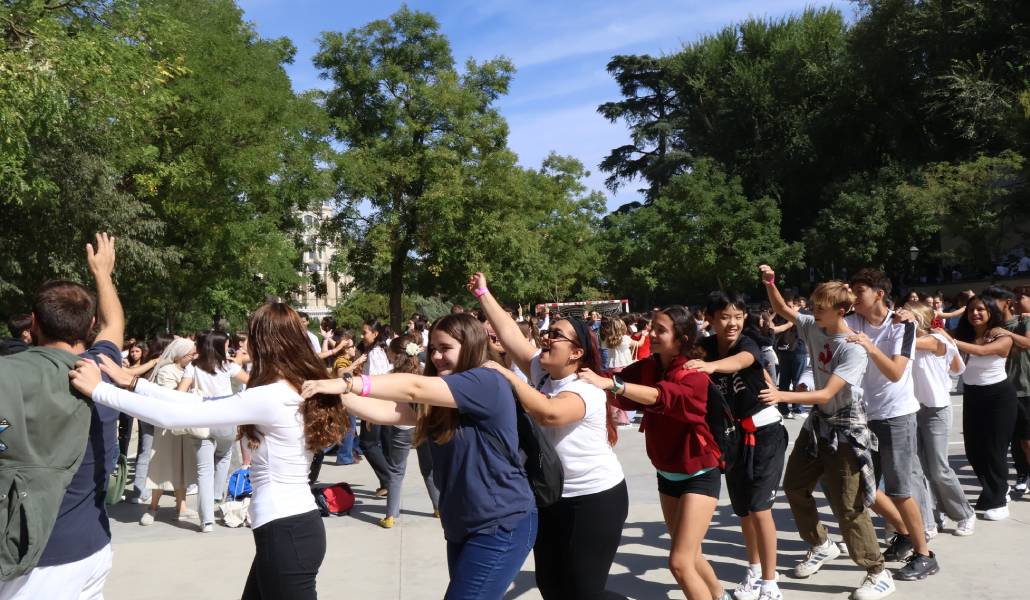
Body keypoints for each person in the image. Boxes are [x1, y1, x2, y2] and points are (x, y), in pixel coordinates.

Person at [70, 302, 348, 600]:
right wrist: (134, 383)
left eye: (250, 338)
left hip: (287, 532)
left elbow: (175, 416)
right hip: (290, 529)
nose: (244, 345)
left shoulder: (272, 395)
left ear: (265, 342)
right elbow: (199, 403)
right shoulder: (290, 387)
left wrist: (101, 390)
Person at [302, 313, 536, 600]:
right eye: (433, 349)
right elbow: (390, 411)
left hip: (501, 523)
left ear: (472, 347)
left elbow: (414, 387)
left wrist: (348, 383)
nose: (436, 356)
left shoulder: (486, 381)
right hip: (462, 523)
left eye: (445, 348)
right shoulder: (442, 395)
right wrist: (329, 392)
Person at [471, 273, 627, 600]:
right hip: (551, 497)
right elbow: (510, 333)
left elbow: (550, 413)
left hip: (595, 499)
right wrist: (483, 293)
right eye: (547, 331)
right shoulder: (543, 373)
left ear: (576, 353)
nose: (546, 337)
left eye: (556, 335)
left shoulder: (586, 388)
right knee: (551, 586)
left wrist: (507, 376)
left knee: (584, 591)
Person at [757, 266, 895, 599]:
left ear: (841, 311)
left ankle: (878, 572)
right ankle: (821, 544)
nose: (813, 311)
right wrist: (770, 283)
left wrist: (780, 395)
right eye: (814, 305)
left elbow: (826, 394)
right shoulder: (813, 325)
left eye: (821, 307)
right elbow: (781, 308)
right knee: (794, 486)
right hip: (819, 424)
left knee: (848, 505)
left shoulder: (852, 348)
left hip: (845, 429)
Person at [0, 233, 124, 600]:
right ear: (89, 325)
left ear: (33, 322)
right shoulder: (102, 371)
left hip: (32, 559)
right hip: (93, 547)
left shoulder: (9, 373)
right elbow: (114, 325)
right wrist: (103, 275)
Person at [579, 306, 726, 600]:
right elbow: (618, 389)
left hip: (699, 473)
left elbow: (663, 396)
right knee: (691, 554)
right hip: (667, 473)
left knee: (680, 563)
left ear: (682, 339)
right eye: (652, 328)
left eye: (661, 330)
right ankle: (720, 595)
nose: (652, 334)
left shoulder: (694, 373)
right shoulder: (649, 367)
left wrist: (614, 385)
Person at [687, 291, 788, 600]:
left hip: (765, 433)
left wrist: (711, 367)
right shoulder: (703, 348)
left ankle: (770, 584)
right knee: (743, 511)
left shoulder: (748, 343)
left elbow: (742, 361)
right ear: (709, 318)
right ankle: (754, 571)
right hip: (732, 438)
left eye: (738, 316)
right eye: (725, 317)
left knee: (760, 509)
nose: (732, 323)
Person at [845, 268, 936, 577]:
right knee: (863, 489)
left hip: (896, 415)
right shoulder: (854, 320)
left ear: (879, 294)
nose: (854, 297)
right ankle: (905, 535)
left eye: (859, 291)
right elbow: (814, 317)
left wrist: (869, 346)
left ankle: (925, 554)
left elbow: (896, 372)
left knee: (899, 490)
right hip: (864, 416)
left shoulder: (902, 324)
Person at [904, 302, 975, 536]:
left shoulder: (935, 339)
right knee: (918, 470)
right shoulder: (903, 341)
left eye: (908, 316)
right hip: (911, 409)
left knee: (938, 468)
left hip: (936, 410)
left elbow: (954, 366)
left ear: (920, 319)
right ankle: (931, 517)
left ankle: (965, 513)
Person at [947, 293, 1017, 519]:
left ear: (990, 312)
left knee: (995, 450)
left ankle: (998, 501)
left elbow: (983, 351)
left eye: (980, 309)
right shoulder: (962, 335)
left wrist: (951, 341)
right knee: (974, 450)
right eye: (971, 310)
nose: (975, 313)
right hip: (972, 395)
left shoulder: (1001, 336)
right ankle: (996, 489)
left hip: (999, 397)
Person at [177, 330, 250, 533]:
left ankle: (206, 521)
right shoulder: (228, 366)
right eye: (226, 345)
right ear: (219, 346)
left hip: (201, 420)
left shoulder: (193, 366)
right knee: (224, 456)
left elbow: (180, 392)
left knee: (204, 471)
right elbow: (251, 381)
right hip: (224, 418)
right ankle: (217, 496)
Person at [378, 334, 441, 529]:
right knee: (429, 470)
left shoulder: (391, 376)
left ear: (395, 354)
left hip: (401, 429)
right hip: (424, 426)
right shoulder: (424, 372)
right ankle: (438, 508)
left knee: (396, 472)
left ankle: (390, 516)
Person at [138, 338, 199, 526]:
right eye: (191, 354)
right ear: (180, 355)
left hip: (183, 425)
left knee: (181, 465)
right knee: (162, 466)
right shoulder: (166, 371)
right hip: (167, 428)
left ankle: (181, 507)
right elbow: (170, 398)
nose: (193, 357)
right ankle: (153, 507)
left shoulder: (188, 370)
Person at [984, 286, 1030, 499]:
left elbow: (1027, 342)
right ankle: (1022, 474)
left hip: (1025, 388)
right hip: (1002, 390)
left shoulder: (1024, 321)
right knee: (1011, 439)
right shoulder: (991, 326)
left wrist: (1007, 334)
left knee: (1026, 440)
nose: (989, 305)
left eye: (993, 300)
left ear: (1007, 302)